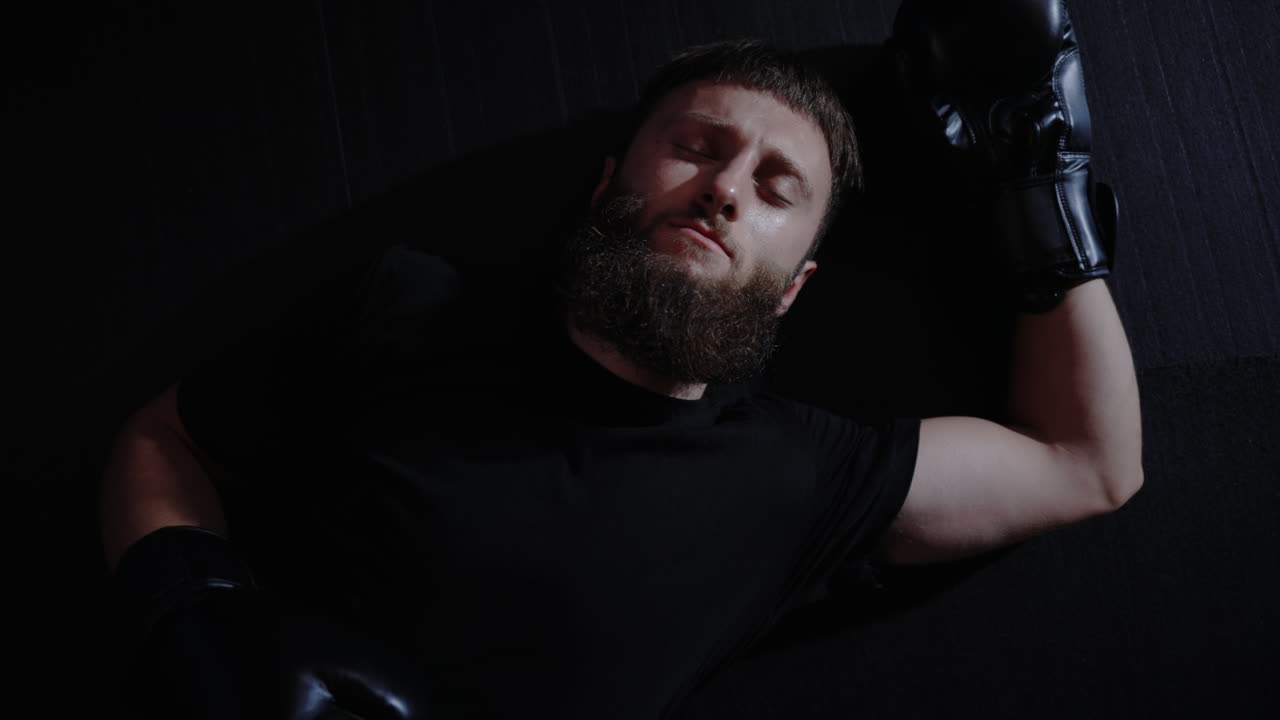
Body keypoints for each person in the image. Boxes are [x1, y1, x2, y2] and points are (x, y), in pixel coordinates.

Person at [99, 4, 1143, 718]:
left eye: (776, 188)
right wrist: (196, 621)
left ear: (794, 287)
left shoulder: (800, 477)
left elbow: (1087, 463)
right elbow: (165, 437)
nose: (724, 188)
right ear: (608, 184)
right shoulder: (406, 306)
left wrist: (1038, 182)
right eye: (697, 146)